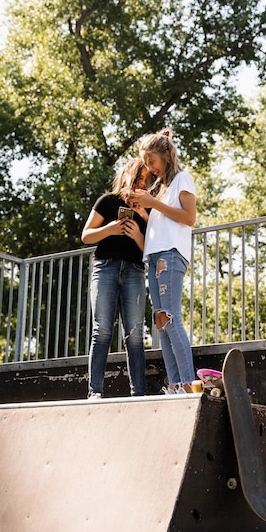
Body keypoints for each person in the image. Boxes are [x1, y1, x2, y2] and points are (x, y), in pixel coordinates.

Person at [124, 128, 196, 394]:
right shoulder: (162, 189)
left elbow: (189, 218)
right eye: (145, 163)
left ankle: (188, 383)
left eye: (151, 161)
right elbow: (164, 222)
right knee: (161, 322)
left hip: (171, 255)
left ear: (166, 154)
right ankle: (176, 384)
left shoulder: (182, 179)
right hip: (155, 258)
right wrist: (145, 213)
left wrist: (153, 202)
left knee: (170, 317)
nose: (149, 168)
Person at [81, 159, 152, 399]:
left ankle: (138, 393)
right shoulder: (107, 201)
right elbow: (86, 236)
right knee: (101, 331)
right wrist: (109, 230)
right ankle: (95, 391)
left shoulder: (149, 210)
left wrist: (138, 235)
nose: (142, 184)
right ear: (127, 176)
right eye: (139, 178)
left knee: (134, 335)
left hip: (134, 271)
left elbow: (150, 250)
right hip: (105, 268)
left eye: (146, 180)